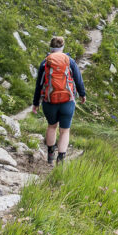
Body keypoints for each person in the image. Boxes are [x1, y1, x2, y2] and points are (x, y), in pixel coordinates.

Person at [32, 36, 86, 164]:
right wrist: (82, 94)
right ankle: (60, 159)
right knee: (64, 130)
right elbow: (78, 80)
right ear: (62, 47)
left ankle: (50, 154)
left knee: (51, 126)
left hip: (49, 101)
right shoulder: (70, 61)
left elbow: (39, 85)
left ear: (50, 48)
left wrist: (35, 103)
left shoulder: (45, 63)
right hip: (67, 101)